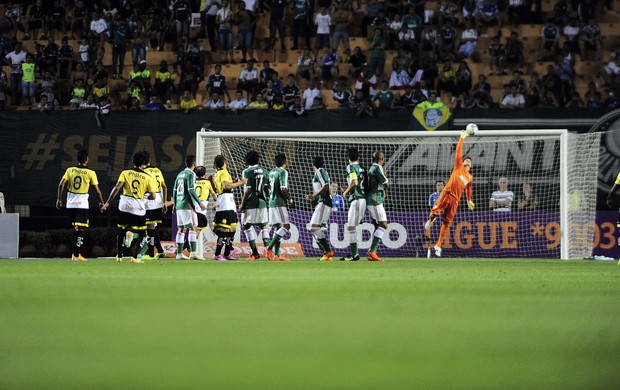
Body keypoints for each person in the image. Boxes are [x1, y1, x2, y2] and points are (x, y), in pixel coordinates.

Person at [424, 130, 475, 257]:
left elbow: (468, 188)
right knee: (435, 212)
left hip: (455, 200)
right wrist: (462, 138)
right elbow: (458, 152)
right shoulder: (458, 167)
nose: (468, 161)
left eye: (470, 161)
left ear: (471, 165)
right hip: (447, 193)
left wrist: (469, 200)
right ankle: (430, 220)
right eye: (466, 160)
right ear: (463, 162)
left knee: (447, 222)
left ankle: (438, 245)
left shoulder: (469, 177)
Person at [100, 151, 157, 263]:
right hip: (138, 207)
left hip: (124, 205)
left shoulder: (125, 173)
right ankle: (134, 257)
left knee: (122, 230)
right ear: (145, 163)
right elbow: (153, 196)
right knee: (143, 234)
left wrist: (107, 203)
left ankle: (119, 256)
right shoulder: (148, 177)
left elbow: (117, 188)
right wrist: (144, 196)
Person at [56, 150, 105, 262]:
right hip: (81, 203)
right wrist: (102, 202)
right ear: (86, 160)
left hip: (70, 202)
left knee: (76, 228)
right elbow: (97, 190)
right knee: (80, 229)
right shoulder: (91, 172)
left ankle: (75, 253)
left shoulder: (70, 170)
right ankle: (76, 254)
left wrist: (59, 199)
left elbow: (61, 185)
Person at [212, 154, 247, 260]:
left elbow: (227, 185)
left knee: (232, 228)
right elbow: (226, 186)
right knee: (225, 230)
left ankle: (227, 253)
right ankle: (217, 254)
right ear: (224, 162)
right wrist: (241, 182)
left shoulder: (219, 173)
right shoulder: (223, 172)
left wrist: (234, 182)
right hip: (225, 203)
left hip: (228, 202)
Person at [171, 155, 206, 260]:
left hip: (179, 205)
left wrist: (174, 205)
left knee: (181, 229)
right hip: (187, 205)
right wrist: (199, 203)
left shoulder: (180, 174)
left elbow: (175, 190)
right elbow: (191, 190)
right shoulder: (191, 174)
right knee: (193, 228)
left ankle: (179, 254)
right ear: (194, 164)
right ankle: (194, 253)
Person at [238, 150, 270, 261]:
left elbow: (247, 190)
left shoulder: (246, 171)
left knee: (246, 225)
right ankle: (268, 251)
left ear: (246, 160)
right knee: (263, 226)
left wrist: (242, 204)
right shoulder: (265, 171)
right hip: (262, 202)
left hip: (250, 203)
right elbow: (267, 189)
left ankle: (255, 253)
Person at [304, 156, 335, 261]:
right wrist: (315, 199)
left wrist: (313, 195)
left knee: (313, 227)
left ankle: (328, 251)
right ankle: (326, 254)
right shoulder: (322, 172)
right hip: (322, 203)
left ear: (313, 166)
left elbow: (325, 186)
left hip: (324, 202)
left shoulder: (320, 172)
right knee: (314, 229)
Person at [265, 153, 294, 261]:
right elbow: (283, 188)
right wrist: (290, 200)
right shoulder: (283, 172)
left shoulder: (271, 172)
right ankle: (269, 248)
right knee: (286, 226)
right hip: (280, 202)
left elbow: (265, 187)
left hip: (271, 203)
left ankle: (277, 255)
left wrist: (271, 195)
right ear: (285, 162)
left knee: (277, 227)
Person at [340, 147, 367, 261]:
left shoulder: (351, 167)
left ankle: (355, 254)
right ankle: (353, 253)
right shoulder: (362, 169)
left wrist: (346, 192)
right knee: (352, 227)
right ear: (358, 157)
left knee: (351, 227)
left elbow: (354, 182)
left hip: (356, 200)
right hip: (362, 199)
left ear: (348, 158)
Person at [143, 152, 168, 260]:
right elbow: (165, 187)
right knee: (151, 228)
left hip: (149, 200)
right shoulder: (158, 170)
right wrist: (164, 202)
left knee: (149, 229)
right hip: (158, 200)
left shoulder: (144, 172)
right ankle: (161, 251)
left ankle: (150, 254)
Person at [366, 151, 390, 262]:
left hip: (375, 199)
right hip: (374, 200)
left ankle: (372, 252)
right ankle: (372, 251)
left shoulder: (372, 168)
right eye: (383, 158)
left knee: (380, 225)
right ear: (381, 158)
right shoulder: (377, 167)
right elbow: (386, 183)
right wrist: (386, 178)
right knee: (383, 225)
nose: (384, 160)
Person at [195, 165, 218, 248]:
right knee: (198, 229)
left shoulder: (193, 181)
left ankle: (183, 248)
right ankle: (189, 248)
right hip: (201, 208)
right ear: (205, 173)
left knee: (189, 229)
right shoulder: (208, 182)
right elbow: (215, 197)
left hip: (192, 207)